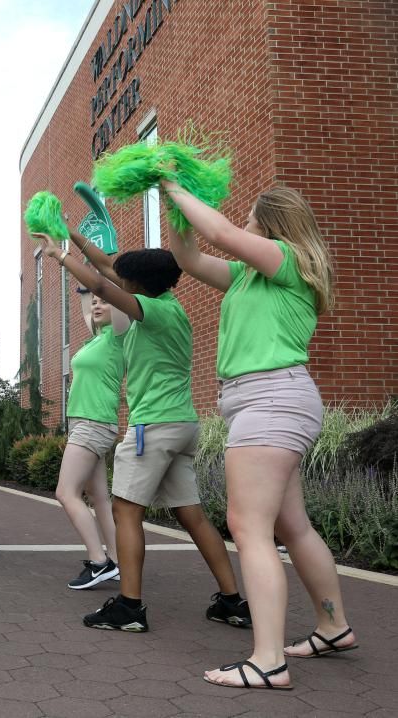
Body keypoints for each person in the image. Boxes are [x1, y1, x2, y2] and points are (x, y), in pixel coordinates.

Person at [161, 182, 354, 690]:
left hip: (270, 401)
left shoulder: (287, 259)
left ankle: (268, 660)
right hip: (269, 403)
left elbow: (219, 232)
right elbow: (191, 257)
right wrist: (171, 207)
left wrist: (174, 185)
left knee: (248, 526)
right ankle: (333, 626)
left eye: (250, 218)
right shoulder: (251, 277)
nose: (242, 225)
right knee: (292, 526)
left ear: (269, 223)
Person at [33, 232, 250, 633]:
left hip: (153, 427)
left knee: (126, 512)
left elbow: (101, 282)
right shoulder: (169, 305)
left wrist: (59, 255)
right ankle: (232, 601)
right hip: (182, 426)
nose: (117, 281)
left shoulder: (152, 311)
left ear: (136, 286)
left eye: (124, 280)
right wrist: (75, 236)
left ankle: (130, 608)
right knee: (194, 518)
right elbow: (108, 270)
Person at [55, 289, 123, 589]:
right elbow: (87, 296)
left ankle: (99, 563)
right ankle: (119, 563)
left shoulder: (119, 335)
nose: (96, 305)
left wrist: (105, 279)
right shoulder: (97, 337)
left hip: (93, 423)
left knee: (66, 493)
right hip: (86, 422)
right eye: (94, 301)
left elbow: (115, 294)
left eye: (103, 301)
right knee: (99, 498)